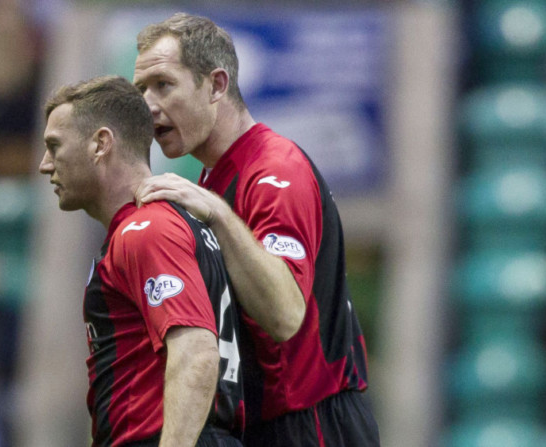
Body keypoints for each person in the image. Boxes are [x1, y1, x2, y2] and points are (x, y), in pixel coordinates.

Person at [132, 13, 380, 446]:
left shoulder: (274, 171)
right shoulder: (212, 180)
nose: (149, 105)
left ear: (217, 85)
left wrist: (220, 216)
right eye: (142, 90)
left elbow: (285, 315)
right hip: (263, 423)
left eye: (164, 85)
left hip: (312, 424)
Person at [37, 75, 243, 447]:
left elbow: (196, 353)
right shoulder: (162, 226)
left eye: (54, 146)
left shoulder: (147, 230)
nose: (44, 165)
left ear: (100, 144)